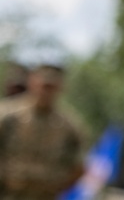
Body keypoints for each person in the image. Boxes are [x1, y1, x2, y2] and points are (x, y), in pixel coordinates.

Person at [0, 64, 88, 200]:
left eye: (51, 87)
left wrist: (56, 186)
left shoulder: (69, 126)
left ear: (61, 87)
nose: (46, 91)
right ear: (31, 82)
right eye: (43, 85)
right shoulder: (7, 115)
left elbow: (79, 167)